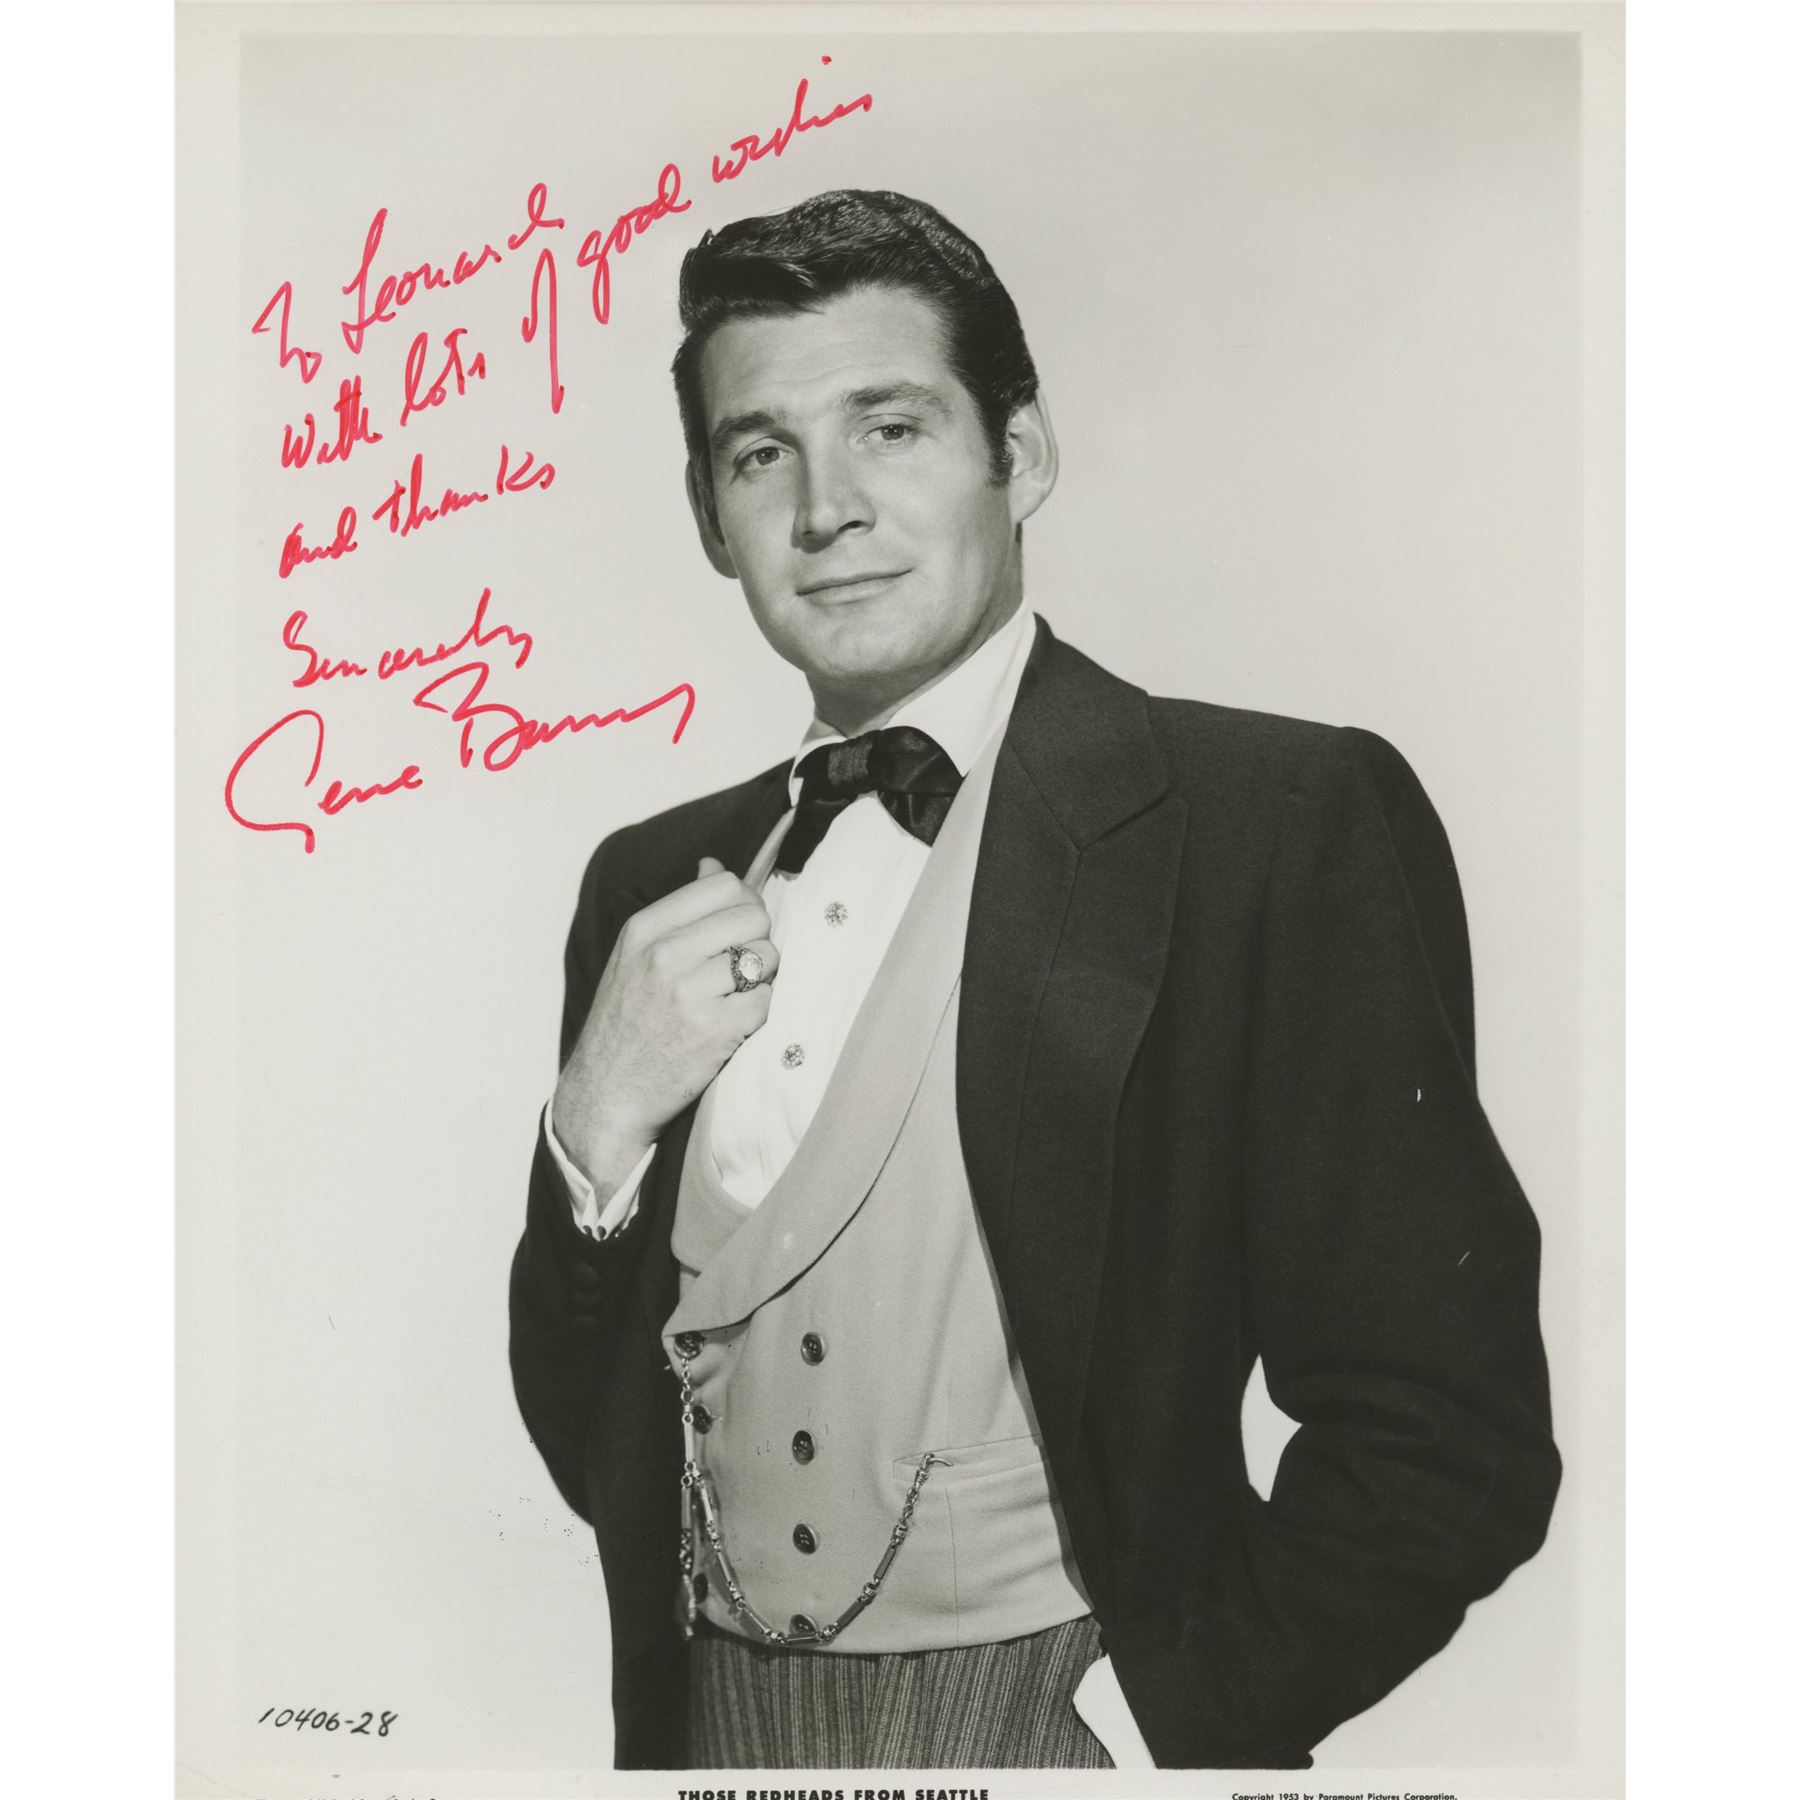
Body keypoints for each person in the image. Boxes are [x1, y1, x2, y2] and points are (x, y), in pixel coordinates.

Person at [508, 188, 1560, 1773]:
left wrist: (1146, 1736)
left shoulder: (1271, 823)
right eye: (761, 452)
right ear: (710, 517)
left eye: (892, 428)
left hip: (1065, 1725)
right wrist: (591, 1131)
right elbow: (596, 1450)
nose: (827, 509)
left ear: (1024, 452)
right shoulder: (649, 883)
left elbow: (1448, 1435)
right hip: (708, 1737)